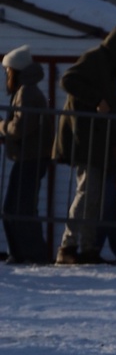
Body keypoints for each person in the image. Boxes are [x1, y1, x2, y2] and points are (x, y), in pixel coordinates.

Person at [54, 25, 116, 264]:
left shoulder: (107, 67)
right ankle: (67, 247)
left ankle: (88, 249)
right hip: (84, 140)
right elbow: (67, 80)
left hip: (95, 143)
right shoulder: (95, 58)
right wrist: (96, 100)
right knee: (86, 193)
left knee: (92, 197)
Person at [0, 45, 54, 263]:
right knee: (17, 207)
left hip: (30, 158)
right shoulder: (27, 90)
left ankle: (30, 254)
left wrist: (2, 126)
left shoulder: (27, 92)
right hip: (30, 157)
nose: (6, 74)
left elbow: (21, 127)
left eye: (7, 70)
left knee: (18, 208)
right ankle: (20, 253)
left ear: (16, 70)